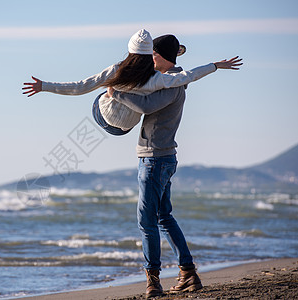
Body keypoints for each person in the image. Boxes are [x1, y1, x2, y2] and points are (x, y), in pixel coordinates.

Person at [106, 35, 242, 297]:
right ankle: (188, 273)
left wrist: (117, 93)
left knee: (147, 222)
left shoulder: (172, 86)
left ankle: (153, 281)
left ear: (160, 57)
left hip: (155, 159)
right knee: (163, 217)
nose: (148, 60)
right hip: (162, 158)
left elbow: (146, 105)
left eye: (152, 55)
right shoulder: (172, 81)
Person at [22, 29, 242, 136]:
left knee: (100, 94)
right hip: (126, 127)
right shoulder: (156, 79)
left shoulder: (116, 70)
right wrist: (214, 65)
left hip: (106, 119)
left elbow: (80, 87)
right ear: (150, 54)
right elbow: (187, 76)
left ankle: (109, 98)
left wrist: (44, 86)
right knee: (130, 98)